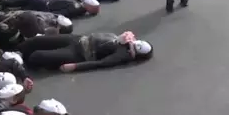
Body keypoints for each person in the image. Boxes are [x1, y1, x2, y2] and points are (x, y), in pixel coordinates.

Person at [17, 31, 153, 72]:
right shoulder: (128, 39)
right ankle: (15, 51)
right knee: (36, 41)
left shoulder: (123, 55)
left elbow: (101, 63)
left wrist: (75, 66)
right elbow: (126, 35)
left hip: (79, 54)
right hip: (78, 39)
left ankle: (18, 65)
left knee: (38, 55)